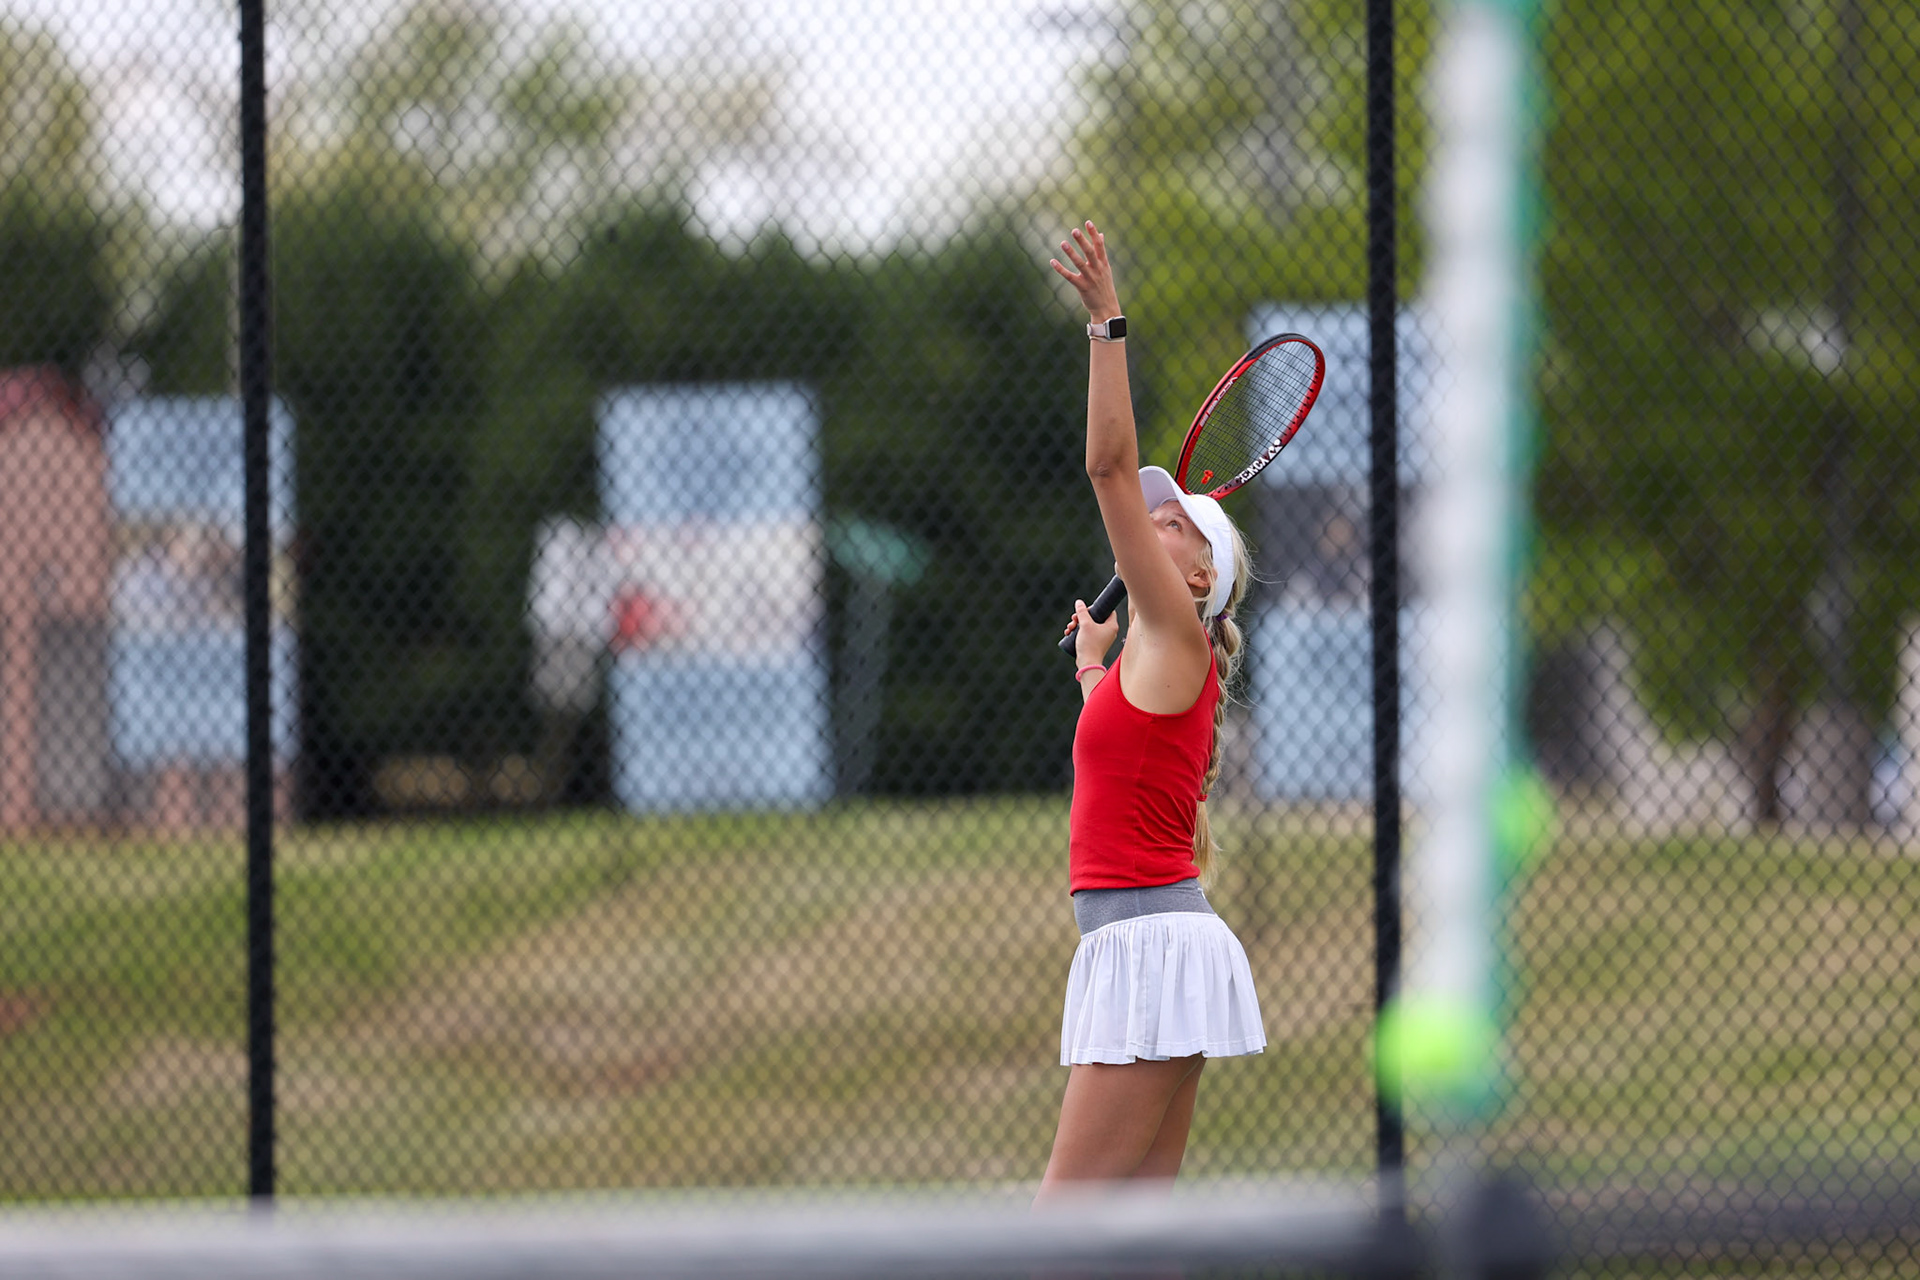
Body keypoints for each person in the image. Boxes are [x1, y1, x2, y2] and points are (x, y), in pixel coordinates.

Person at [1035, 221, 1266, 1201]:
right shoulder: (1158, 663)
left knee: (1054, 1237)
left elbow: (1108, 469)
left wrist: (1105, 324)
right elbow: (1125, 753)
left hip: (1149, 946)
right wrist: (1093, 669)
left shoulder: (1177, 626)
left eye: (1172, 524)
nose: (1148, 521)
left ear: (1202, 575)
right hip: (1143, 945)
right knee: (1134, 1245)